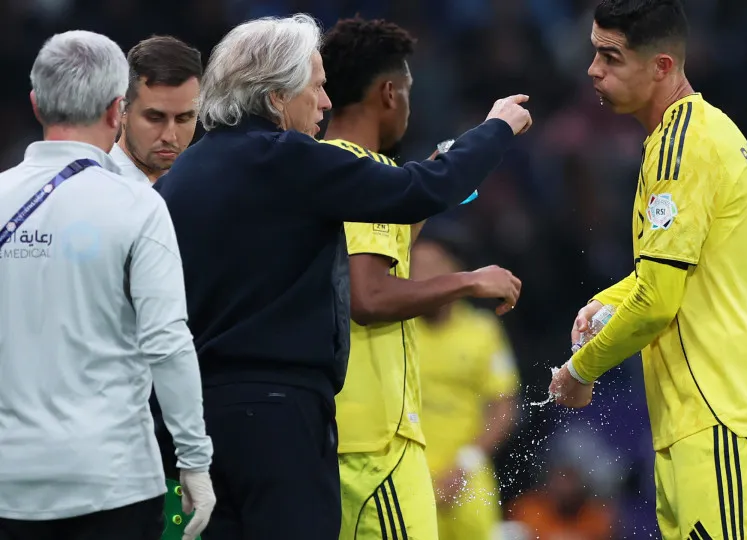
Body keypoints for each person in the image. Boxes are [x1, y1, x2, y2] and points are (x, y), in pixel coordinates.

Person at [155, 13, 532, 540]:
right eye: (315, 87)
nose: (326, 103)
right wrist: (496, 130)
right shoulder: (290, 159)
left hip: (195, 419)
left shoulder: (180, 176)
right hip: (281, 417)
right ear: (276, 96)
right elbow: (419, 191)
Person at [549, 1, 747, 539]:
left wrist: (580, 371)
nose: (593, 70)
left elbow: (658, 301)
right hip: (700, 418)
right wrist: (610, 299)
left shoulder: (683, 147)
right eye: (594, 53)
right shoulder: (689, 136)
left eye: (611, 57)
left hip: (720, 414)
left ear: (662, 66)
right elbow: (679, 271)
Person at [0, 30, 214, 540]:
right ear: (118, 110)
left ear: (36, 103)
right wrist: (194, 459)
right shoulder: (137, 205)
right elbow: (167, 341)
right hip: (112, 480)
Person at [319, 18, 523, 540]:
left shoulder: (321, 169)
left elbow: (372, 249)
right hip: (373, 444)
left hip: (335, 432)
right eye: (407, 91)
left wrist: (442, 176)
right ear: (389, 94)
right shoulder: (363, 173)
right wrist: (468, 281)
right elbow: (368, 294)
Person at [410, 231, 521, 540]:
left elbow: (504, 407)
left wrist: (464, 464)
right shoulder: (394, 331)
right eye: (414, 265)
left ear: (455, 271)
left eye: (432, 265)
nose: (421, 275)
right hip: (408, 474)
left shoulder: (482, 331)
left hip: (466, 478)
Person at [112, 35, 203, 184]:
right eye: (155, 118)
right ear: (122, 109)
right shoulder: (94, 188)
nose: (170, 137)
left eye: (183, 119)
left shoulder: (201, 185)